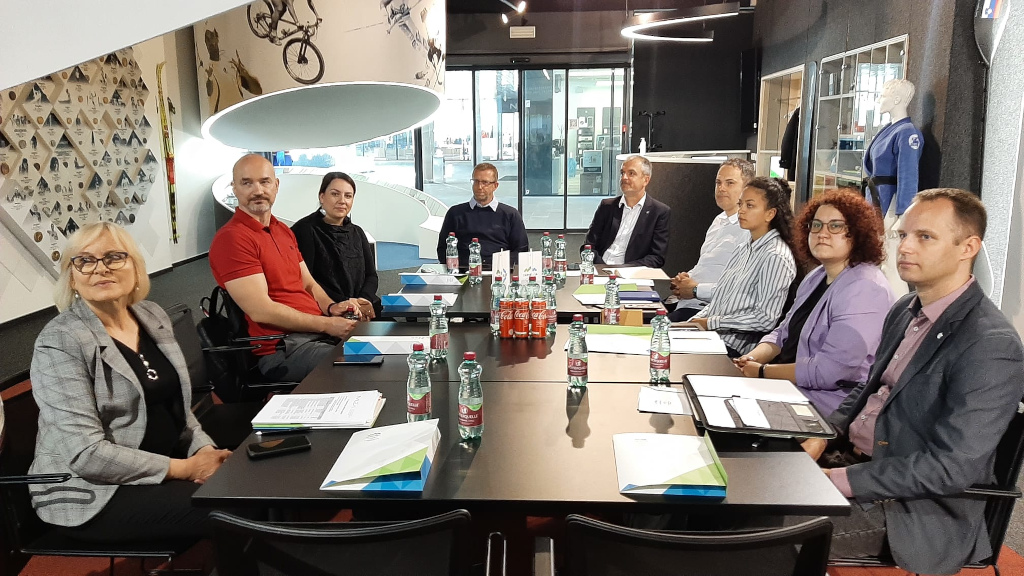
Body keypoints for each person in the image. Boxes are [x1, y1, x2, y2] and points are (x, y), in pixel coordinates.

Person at [804, 188, 1024, 575]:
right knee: (739, 482)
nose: (905, 247)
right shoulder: (905, 310)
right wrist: (821, 435)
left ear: (968, 247)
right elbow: (867, 390)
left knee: (758, 526)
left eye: (925, 237)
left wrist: (837, 479)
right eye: (903, 234)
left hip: (910, 510)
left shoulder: (991, 344)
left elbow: (951, 468)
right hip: (852, 462)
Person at [29, 222, 230, 542]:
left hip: (162, 459)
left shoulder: (151, 315)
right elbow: (87, 454)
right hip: (92, 490)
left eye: (114, 256)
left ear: (135, 268)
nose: (100, 268)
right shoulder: (60, 341)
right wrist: (188, 468)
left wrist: (205, 451)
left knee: (250, 478)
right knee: (232, 507)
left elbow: (177, 406)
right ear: (72, 278)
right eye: (85, 261)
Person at [733, 189, 894, 416]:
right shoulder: (816, 276)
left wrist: (762, 372)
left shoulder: (866, 287)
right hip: (790, 390)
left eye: (835, 226)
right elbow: (783, 332)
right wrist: (752, 357)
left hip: (828, 406)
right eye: (816, 225)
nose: (822, 233)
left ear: (858, 233)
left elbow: (830, 371)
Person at [209, 154, 360, 382]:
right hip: (282, 348)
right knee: (361, 368)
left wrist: (331, 307)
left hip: (315, 333)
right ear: (235, 188)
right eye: (247, 183)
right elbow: (261, 310)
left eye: (265, 182)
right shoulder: (232, 238)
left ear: (276, 185)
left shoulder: (283, 231)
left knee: (382, 352)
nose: (258, 190)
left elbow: (308, 283)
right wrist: (327, 325)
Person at [688, 177, 797, 356]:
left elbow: (765, 318)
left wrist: (710, 323)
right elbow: (720, 300)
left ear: (770, 214)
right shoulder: (743, 247)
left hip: (731, 347)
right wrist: (691, 324)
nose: (741, 210)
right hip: (711, 338)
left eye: (750, 205)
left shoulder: (775, 256)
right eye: (741, 204)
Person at [669, 158, 754, 320]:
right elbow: (706, 265)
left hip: (710, 311)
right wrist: (685, 278)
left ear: (747, 188)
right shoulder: (719, 220)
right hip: (688, 303)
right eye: (718, 183)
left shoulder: (747, 229)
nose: (721, 188)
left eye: (730, 183)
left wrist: (695, 288)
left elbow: (740, 288)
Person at [291, 172, 381, 318]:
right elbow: (307, 280)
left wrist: (363, 299)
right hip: (326, 309)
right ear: (322, 197)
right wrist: (346, 302)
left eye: (348, 196)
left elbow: (371, 275)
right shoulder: (305, 230)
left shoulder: (357, 232)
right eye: (335, 194)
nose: (342, 201)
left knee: (398, 327)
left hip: (362, 306)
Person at [436, 162, 529, 269]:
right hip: (463, 270)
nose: (479, 187)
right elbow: (443, 248)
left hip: (499, 271)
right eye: (476, 181)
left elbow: (521, 251)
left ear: (495, 186)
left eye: (485, 182)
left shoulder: (510, 215)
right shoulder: (455, 213)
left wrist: (501, 267)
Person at [583, 155, 671, 268]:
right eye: (622, 173)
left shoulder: (659, 212)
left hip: (631, 272)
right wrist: (602, 267)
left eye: (631, 173)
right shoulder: (607, 206)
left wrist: (624, 269)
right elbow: (589, 246)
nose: (624, 177)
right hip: (600, 268)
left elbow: (656, 257)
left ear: (645, 180)